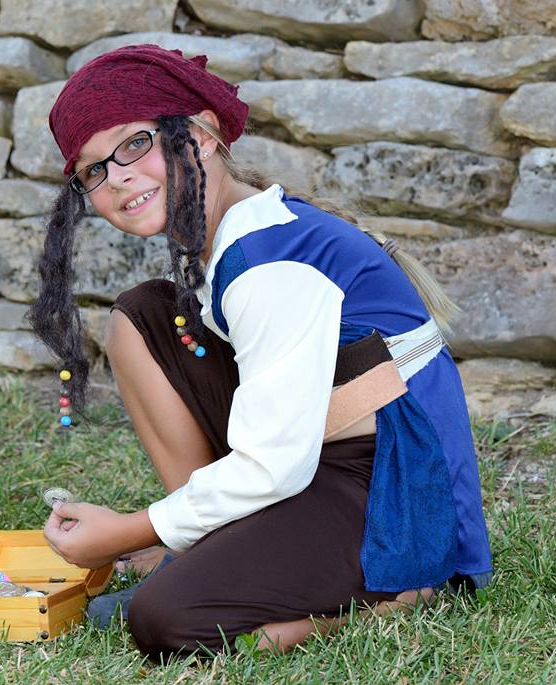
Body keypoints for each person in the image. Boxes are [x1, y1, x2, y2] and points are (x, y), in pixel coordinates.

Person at [30, 45, 492, 659]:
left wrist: (129, 531)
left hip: (394, 481)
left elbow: (274, 465)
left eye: (134, 145)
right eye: (93, 170)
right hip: (323, 449)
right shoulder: (234, 238)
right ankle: (218, 542)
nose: (116, 177)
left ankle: (402, 592)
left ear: (201, 135)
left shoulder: (268, 263)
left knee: (166, 620)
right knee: (144, 317)